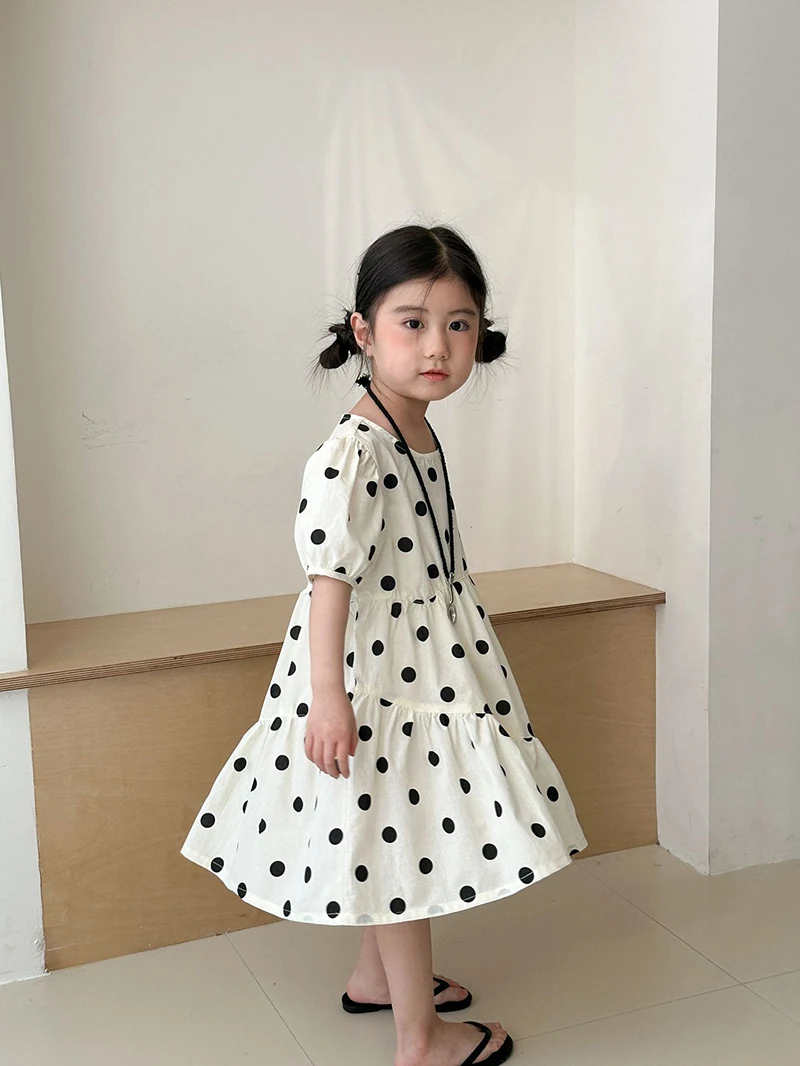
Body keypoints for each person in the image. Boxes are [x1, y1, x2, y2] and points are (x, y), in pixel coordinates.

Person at [180, 223, 588, 1066]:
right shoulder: (353, 451)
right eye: (413, 322)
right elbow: (327, 581)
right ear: (364, 332)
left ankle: (376, 978)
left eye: (458, 324)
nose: (437, 346)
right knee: (402, 839)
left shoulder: (413, 429)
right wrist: (328, 698)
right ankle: (420, 1039)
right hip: (377, 675)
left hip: (424, 656)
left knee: (388, 824)